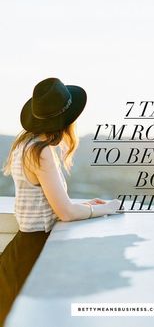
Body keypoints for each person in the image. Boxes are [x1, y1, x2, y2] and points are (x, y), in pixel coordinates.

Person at [0, 77, 122, 326]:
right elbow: (64, 212)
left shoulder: (23, 145)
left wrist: (89, 206)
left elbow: (49, 201)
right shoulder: (41, 151)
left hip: (21, 248)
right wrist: (106, 209)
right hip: (35, 252)